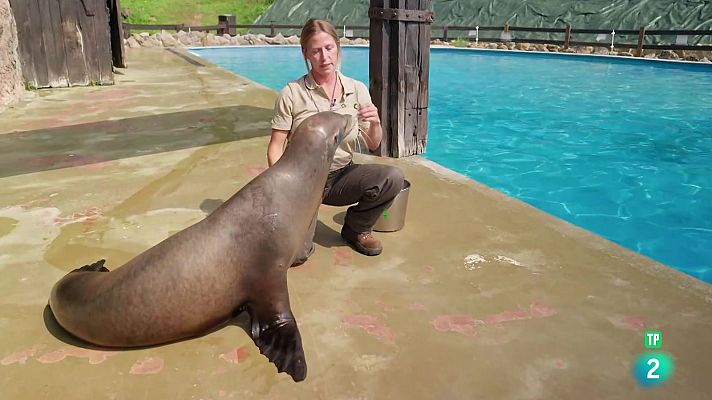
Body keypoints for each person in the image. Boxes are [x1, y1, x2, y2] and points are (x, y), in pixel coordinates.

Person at [267, 18, 405, 264]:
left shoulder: (357, 89)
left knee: (392, 177)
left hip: (341, 175)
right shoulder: (292, 93)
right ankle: (294, 221)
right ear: (306, 54)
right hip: (303, 180)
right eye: (316, 51)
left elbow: (374, 144)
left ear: (338, 47)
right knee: (297, 255)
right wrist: (282, 186)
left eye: (329, 48)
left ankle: (356, 229)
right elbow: (276, 145)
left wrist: (375, 123)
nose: (324, 57)